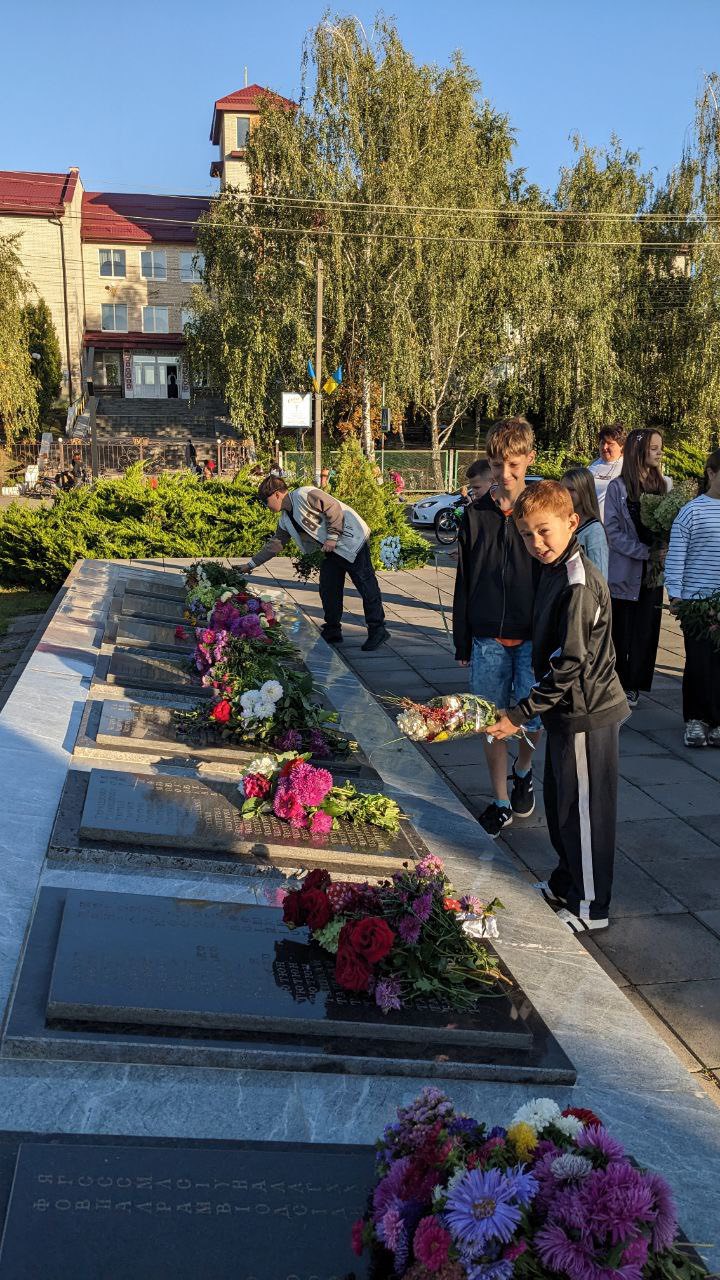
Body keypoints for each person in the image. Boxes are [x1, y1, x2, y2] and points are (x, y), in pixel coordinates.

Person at [487, 481, 627, 933]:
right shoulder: (553, 569)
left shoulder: (577, 583)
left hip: (587, 711)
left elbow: (569, 664)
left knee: (584, 812)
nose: (536, 542)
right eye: (527, 534)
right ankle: (565, 883)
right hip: (565, 711)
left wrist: (518, 714)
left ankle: (591, 907)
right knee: (562, 803)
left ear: (571, 523)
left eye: (544, 531)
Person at [453, 416, 542, 838]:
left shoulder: (537, 512)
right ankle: (500, 800)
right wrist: (462, 638)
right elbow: (465, 579)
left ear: (529, 459)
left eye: (513, 465)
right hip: (487, 634)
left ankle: (523, 770)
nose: (504, 474)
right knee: (488, 718)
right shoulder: (476, 515)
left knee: (531, 718)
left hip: (532, 635)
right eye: (496, 465)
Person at [239, 474, 389, 652]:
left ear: (277, 494)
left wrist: (332, 536)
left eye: (266, 501)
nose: (266, 505)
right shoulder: (285, 519)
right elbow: (275, 544)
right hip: (331, 550)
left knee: (365, 584)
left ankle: (377, 629)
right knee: (328, 588)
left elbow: (333, 507)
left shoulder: (304, 494)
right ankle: (332, 630)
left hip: (352, 540)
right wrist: (250, 565)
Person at [604, 428, 669, 709]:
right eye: (654, 448)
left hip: (652, 575)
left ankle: (635, 684)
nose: (659, 453)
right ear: (638, 451)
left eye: (659, 447)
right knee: (621, 630)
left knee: (646, 630)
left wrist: (664, 549)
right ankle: (617, 682)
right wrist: (644, 552)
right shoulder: (618, 488)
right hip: (626, 572)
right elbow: (613, 532)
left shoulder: (664, 486)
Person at [665, 446, 720, 748]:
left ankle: (717, 720)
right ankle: (696, 720)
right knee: (699, 663)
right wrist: (675, 594)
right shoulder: (692, 511)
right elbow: (676, 557)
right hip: (697, 601)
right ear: (711, 473)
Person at [560, 466, 609, 577]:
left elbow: (600, 575)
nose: (566, 494)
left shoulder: (594, 530)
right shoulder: (560, 524)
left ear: (584, 492)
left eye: (571, 489)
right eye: (563, 489)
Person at [588, 424, 626, 520]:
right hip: (589, 523)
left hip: (612, 525)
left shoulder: (627, 467)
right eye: (602, 443)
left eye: (610, 443)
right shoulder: (592, 465)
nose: (605, 447)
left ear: (621, 446)